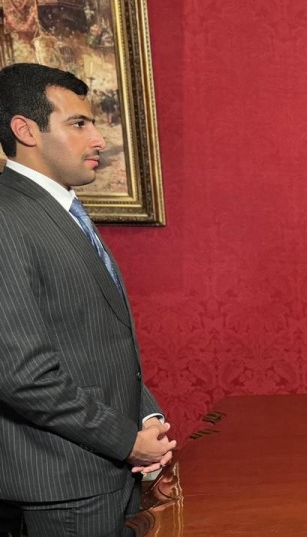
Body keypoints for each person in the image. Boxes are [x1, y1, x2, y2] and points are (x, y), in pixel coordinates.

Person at [0, 63, 175, 535]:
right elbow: (23, 376)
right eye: (79, 124)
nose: (99, 139)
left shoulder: (61, 209)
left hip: (107, 472)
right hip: (64, 485)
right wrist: (127, 440)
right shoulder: (6, 216)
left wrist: (146, 416)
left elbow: (99, 343)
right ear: (25, 131)